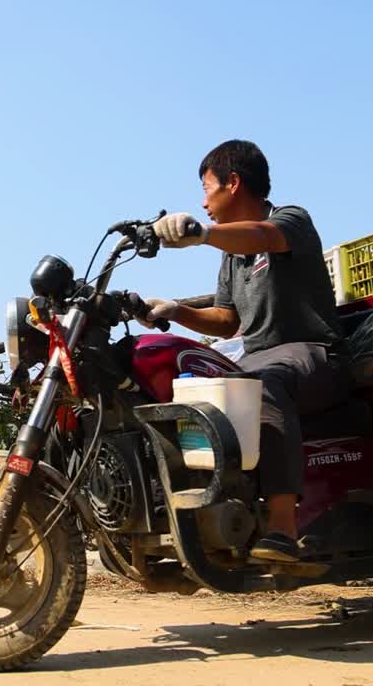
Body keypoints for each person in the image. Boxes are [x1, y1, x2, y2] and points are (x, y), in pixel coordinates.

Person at [138, 139, 347, 563]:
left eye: (206, 187)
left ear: (232, 183)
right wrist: (175, 310)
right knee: (187, 393)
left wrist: (202, 234)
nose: (203, 201)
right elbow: (227, 320)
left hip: (312, 355)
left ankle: (284, 529)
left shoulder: (290, 219)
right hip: (253, 360)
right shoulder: (231, 259)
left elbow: (266, 237)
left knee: (260, 385)